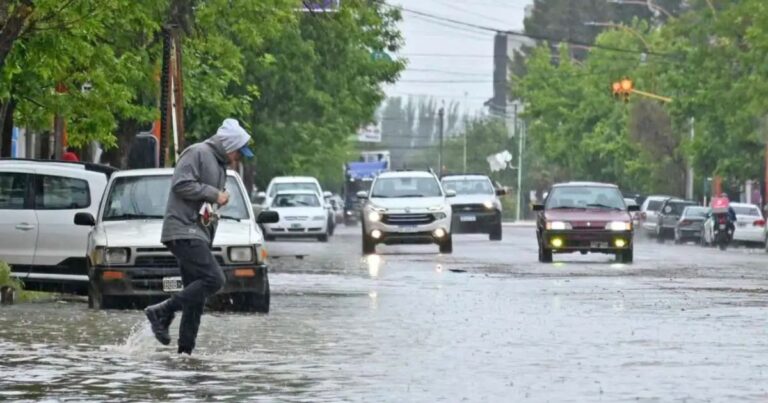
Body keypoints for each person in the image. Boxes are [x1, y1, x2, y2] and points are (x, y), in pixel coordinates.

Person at [144, 118, 254, 355]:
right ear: (228, 145)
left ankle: (185, 354)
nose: (238, 158)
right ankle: (162, 311)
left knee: (196, 299)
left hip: (198, 232)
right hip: (182, 230)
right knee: (215, 279)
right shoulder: (197, 153)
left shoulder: (220, 165)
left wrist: (214, 204)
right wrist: (215, 194)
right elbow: (180, 184)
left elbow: (202, 201)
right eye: (238, 152)